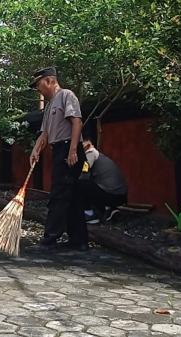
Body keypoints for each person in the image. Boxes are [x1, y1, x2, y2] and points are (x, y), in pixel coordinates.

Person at [29, 67, 88, 251]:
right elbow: (44, 133)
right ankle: (79, 240)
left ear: (48, 81)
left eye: (39, 85)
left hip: (69, 149)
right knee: (73, 197)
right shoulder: (49, 106)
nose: (38, 90)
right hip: (58, 150)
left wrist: (72, 151)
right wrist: (35, 150)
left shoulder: (66, 96)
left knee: (59, 195)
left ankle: (50, 239)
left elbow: (77, 122)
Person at [80, 139, 128, 223]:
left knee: (83, 183)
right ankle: (109, 209)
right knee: (94, 183)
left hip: (111, 194)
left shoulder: (91, 153)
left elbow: (85, 172)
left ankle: (91, 215)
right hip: (120, 195)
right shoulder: (100, 156)